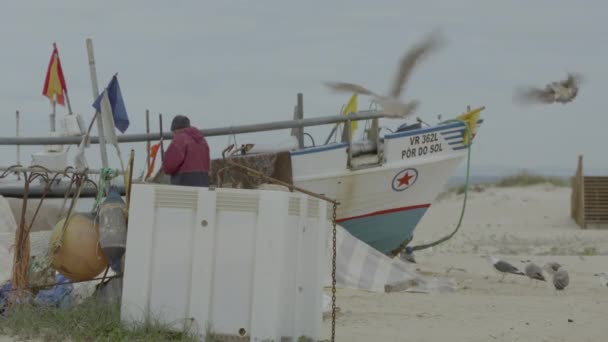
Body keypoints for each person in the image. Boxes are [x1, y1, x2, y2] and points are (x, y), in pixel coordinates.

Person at [162, 115, 210, 187]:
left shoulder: (180, 138)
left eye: (174, 132)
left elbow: (169, 166)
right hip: (203, 183)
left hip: (184, 183)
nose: (174, 135)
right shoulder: (202, 140)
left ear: (176, 129)